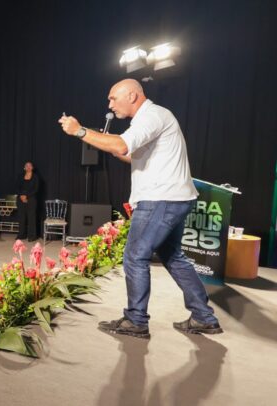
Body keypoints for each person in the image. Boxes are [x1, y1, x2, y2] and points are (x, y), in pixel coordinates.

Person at [59, 78, 222, 338]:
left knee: (135, 256)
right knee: (173, 256)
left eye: (113, 98)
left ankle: (136, 321)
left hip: (161, 199)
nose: (110, 104)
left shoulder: (152, 115)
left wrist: (80, 131)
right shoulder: (148, 119)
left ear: (132, 96)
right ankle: (203, 317)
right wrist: (110, 146)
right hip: (174, 198)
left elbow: (122, 144)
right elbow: (130, 154)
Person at [16, 162, 39, 242]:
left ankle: (31, 236)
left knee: (31, 218)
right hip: (20, 199)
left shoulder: (35, 177)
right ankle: (21, 235)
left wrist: (27, 196)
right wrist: (21, 196)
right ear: (24, 168)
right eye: (27, 166)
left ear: (32, 167)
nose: (28, 167)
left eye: (30, 166)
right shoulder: (20, 176)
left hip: (31, 199)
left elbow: (36, 189)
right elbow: (17, 187)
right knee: (21, 217)